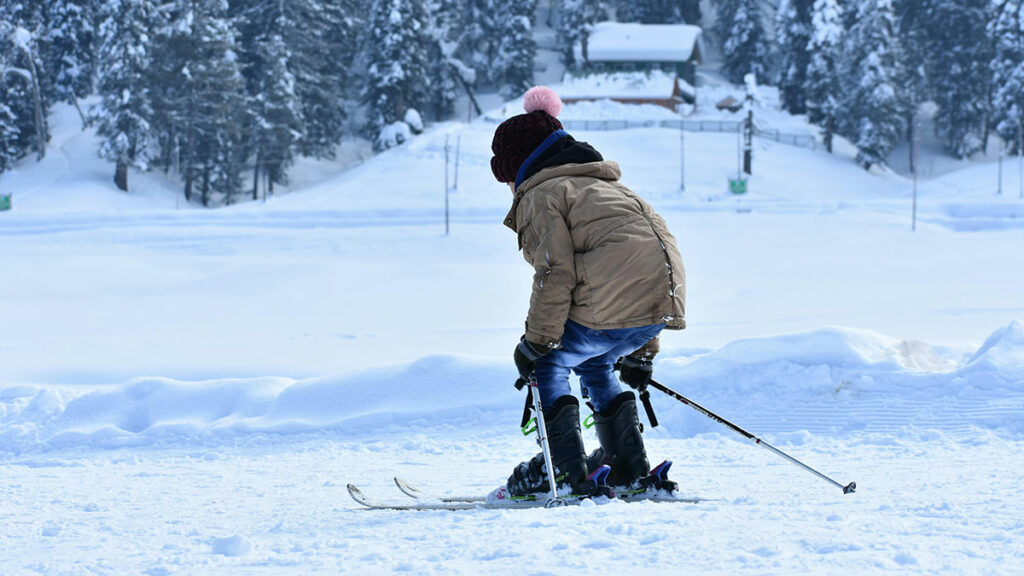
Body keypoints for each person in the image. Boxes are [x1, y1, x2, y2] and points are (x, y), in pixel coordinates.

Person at [490, 86, 687, 497]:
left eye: (507, 176)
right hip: (655, 308)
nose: (509, 187)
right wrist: (641, 351)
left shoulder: (543, 194)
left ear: (520, 166)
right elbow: (647, 269)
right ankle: (628, 467)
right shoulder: (615, 189)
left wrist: (536, 343)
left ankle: (564, 474)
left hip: (612, 310)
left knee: (548, 365)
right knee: (596, 365)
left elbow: (553, 272)